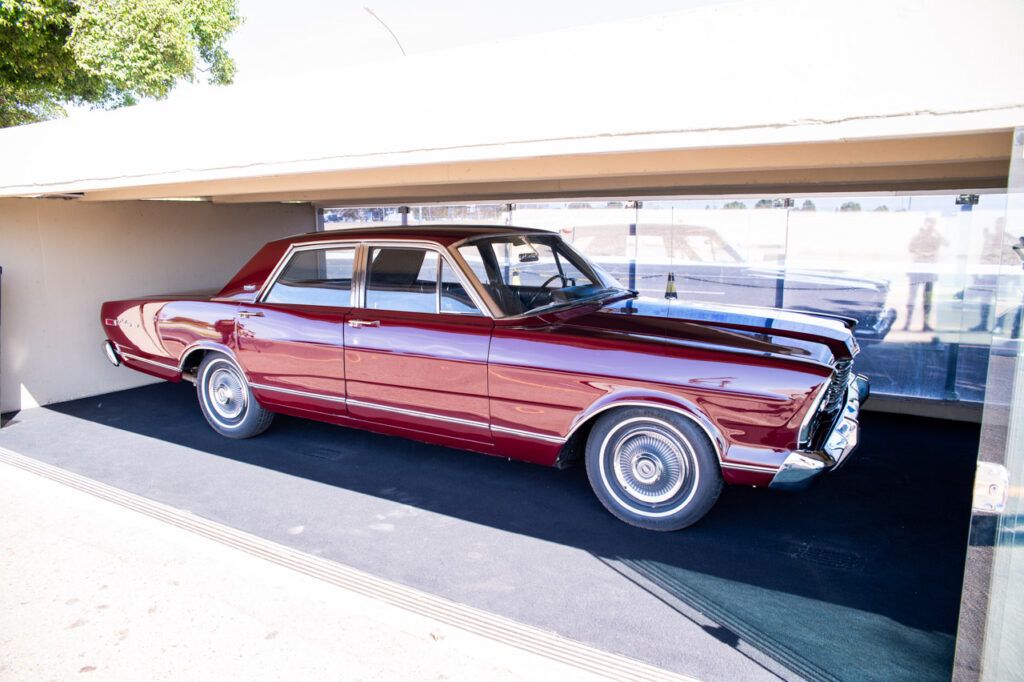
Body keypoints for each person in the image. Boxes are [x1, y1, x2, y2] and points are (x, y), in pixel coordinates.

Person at [904, 217, 946, 332]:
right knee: (912, 297)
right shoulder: (918, 236)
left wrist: (935, 232)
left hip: (929, 270)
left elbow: (947, 243)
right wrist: (922, 236)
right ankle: (907, 322)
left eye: (931, 224)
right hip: (917, 269)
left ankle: (926, 323)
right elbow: (911, 248)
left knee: (927, 298)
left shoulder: (936, 237)